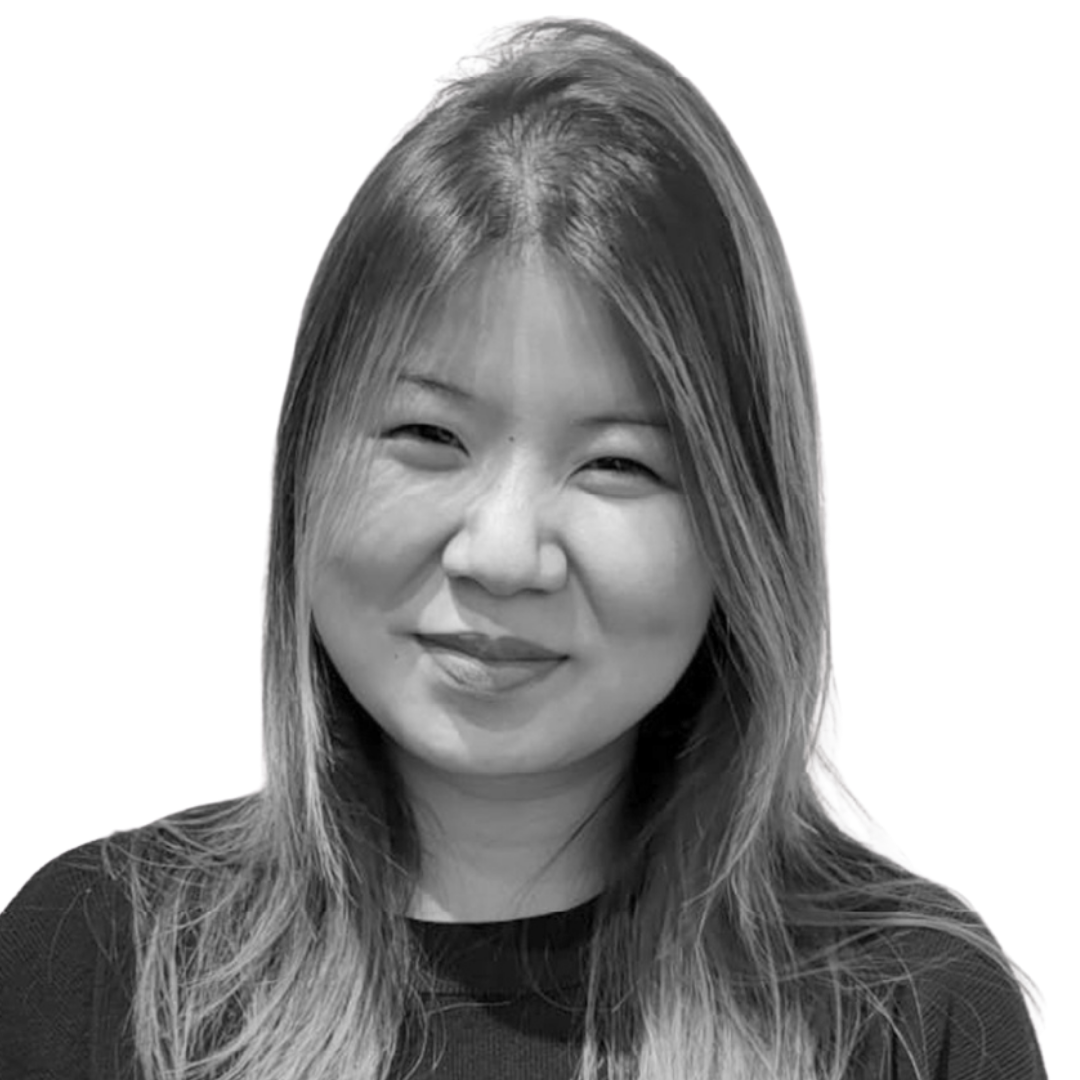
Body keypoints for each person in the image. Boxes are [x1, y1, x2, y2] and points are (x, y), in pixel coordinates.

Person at [0, 16, 1046, 1080]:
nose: (502, 555)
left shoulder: (905, 1017)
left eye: (617, 464)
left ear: (743, 524)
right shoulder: (95, 965)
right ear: (303, 461)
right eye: (428, 435)